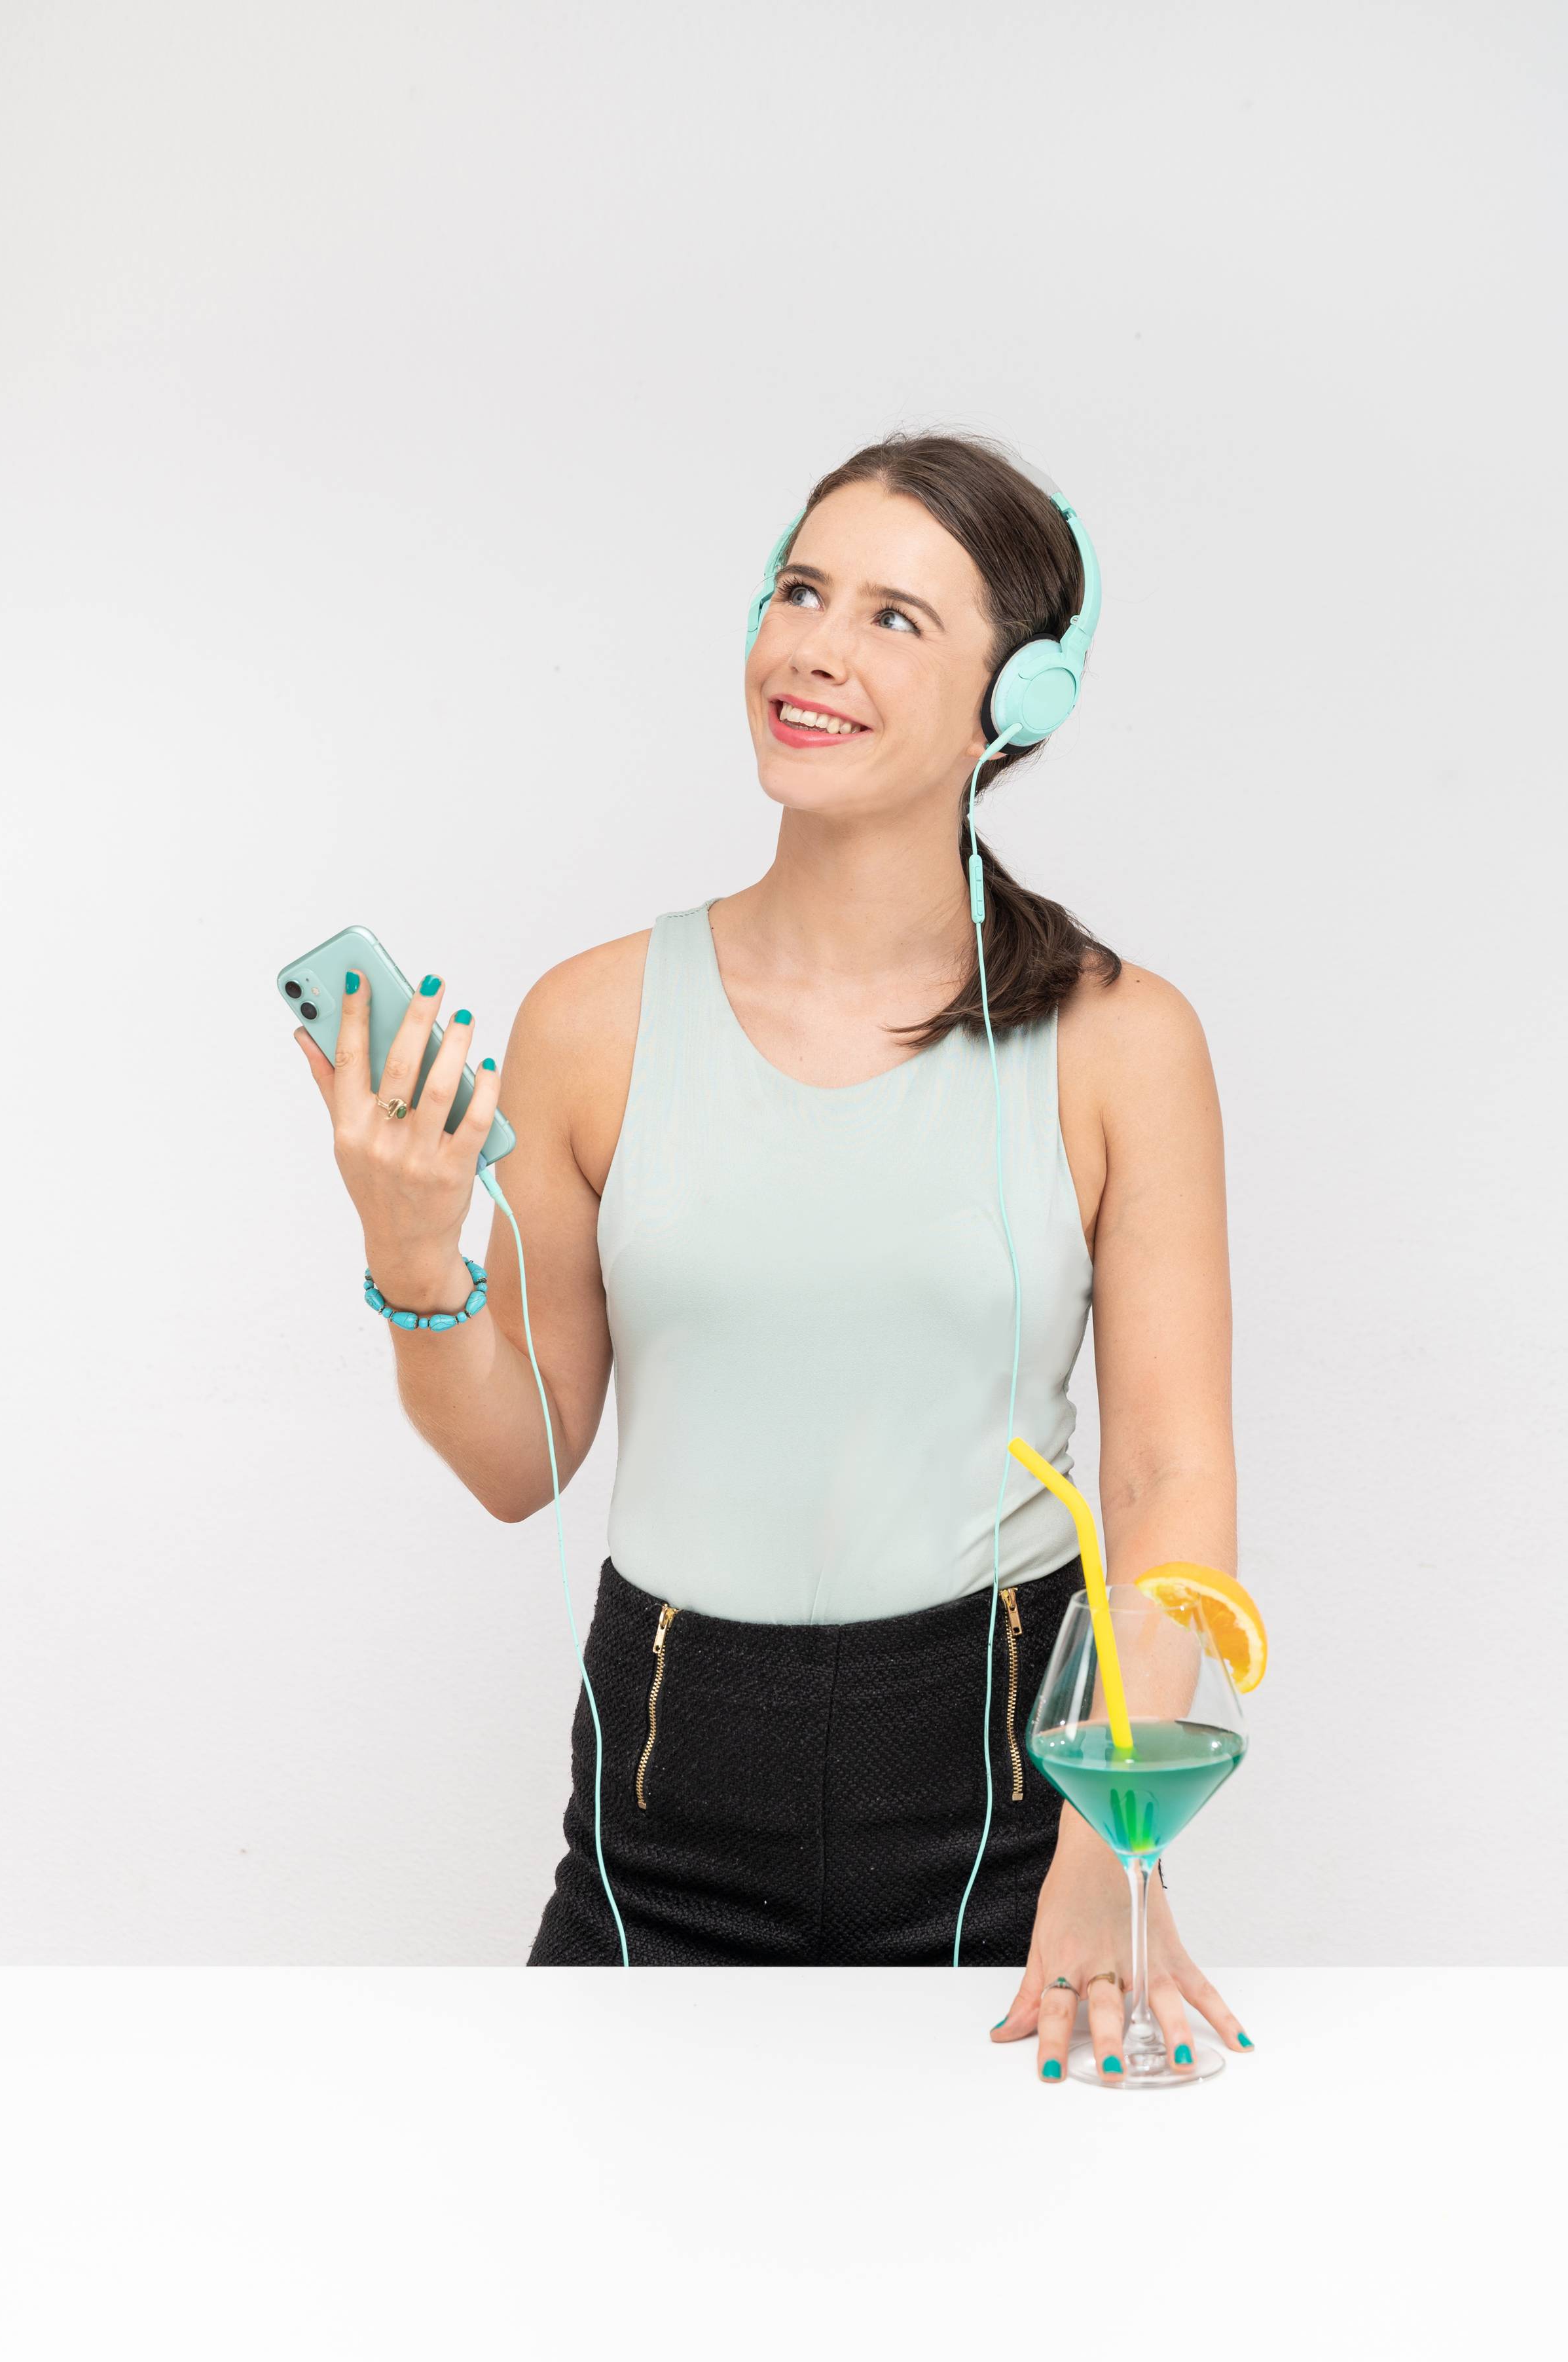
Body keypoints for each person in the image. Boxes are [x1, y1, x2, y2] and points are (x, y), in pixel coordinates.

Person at [293, 430, 1256, 2082]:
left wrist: (1115, 1851)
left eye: (896, 618)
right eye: (801, 590)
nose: (814, 644)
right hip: (664, 1774)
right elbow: (522, 1460)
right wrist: (412, 1248)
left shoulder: (1118, 1039)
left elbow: (1173, 1475)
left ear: (1012, 706)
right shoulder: (590, 1020)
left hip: (1008, 1784)